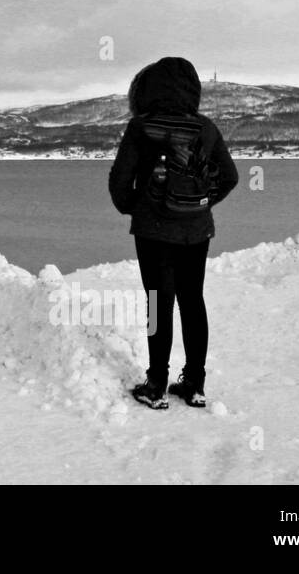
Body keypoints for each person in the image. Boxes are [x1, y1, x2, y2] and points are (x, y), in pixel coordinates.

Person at [108, 56, 238, 410]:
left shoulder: (140, 127)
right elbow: (230, 177)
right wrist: (202, 203)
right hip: (196, 231)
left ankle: (156, 384)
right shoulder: (206, 128)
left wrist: (137, 207)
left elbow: (119, 183)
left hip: (152, 231)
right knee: (192, 301)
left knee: (157, 303)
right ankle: (195, 383)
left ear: (146, 89)